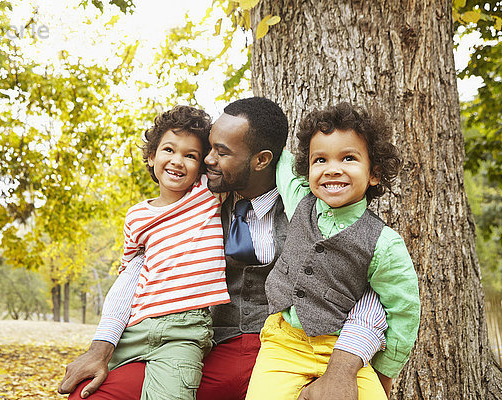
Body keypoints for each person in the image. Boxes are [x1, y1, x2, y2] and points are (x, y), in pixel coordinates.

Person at [59, 97, 393, 400]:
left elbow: (368, 287)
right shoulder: (197, 204)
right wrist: (100, 348)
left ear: (262, 161)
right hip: (201, 345)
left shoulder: (311, 210)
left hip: (281, 348)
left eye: (221, 152)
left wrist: (344, 367)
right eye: (207, 149)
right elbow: (139, 266)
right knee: (88, 395)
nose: (206, 160)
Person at [245, 102, 421, 400]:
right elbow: (283, 161)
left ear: (374, 173)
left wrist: (385, 372)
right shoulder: (299, 200)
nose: (332, 170)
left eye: (348, 158)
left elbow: (403, 310)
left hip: (343, 347)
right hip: (284, 343)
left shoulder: (384, 243)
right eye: (320, 160)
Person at [93, 104, 231, 400]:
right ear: (152, 156)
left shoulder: (208, 194)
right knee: (93, 387)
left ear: (201, 165)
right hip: (136, 327)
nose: (178, 161)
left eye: (190, 155)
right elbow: (130, 271)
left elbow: (237, 160)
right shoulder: (136, 216)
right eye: (169, 150)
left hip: (184, 331)